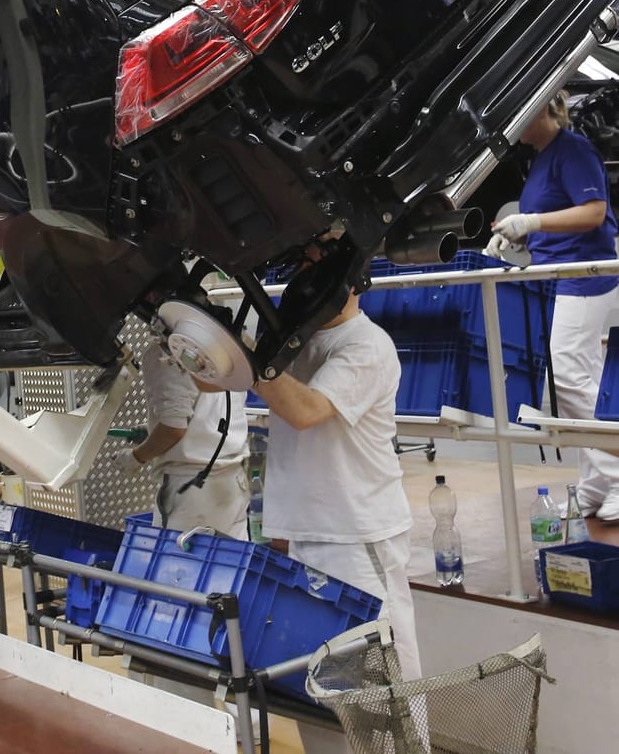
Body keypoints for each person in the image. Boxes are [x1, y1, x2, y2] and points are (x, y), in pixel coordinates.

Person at [253, 278, 421, 754]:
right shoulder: (295, 341)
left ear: (352, 278)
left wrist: (246, 358)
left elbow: (305, 410)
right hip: (307, 539)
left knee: (384, 697)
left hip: (358, 541)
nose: (309, 275)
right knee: (322, 692)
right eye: (304, 264)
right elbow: (216, 377)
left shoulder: (366, 345)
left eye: (319, 265)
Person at [490, 92, 619, 524]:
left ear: (543, 107)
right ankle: (596, 484)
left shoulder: (573, 150)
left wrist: (533, 221)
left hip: (584, 277)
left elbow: (594, 212)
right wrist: (518, 236)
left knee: (569, 377)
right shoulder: (541, 159)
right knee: (580, 385)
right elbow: (551, 220)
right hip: (558, 278)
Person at [133, 343, 250, 537]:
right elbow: (209, 415)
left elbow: (173, 428)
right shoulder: (229, 347)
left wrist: (136, 456)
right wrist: (152, 431)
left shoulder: (166, 352)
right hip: (233, 484)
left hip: (191, 491)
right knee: (230, 563)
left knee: (176, 565)